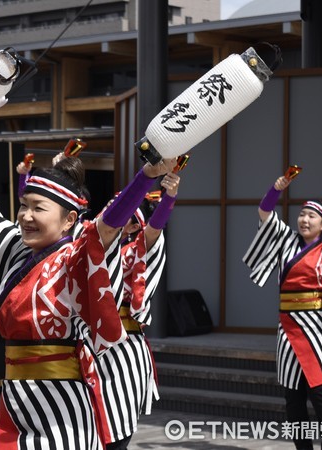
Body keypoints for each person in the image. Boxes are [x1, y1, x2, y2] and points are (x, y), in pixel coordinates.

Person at [0, 127, 176, 449]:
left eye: (38, 208)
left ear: (70, 219)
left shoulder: (79, 255)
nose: (26, 216)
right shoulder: (17, 249)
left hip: (61, 401)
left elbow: (110, 223)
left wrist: (146, 177)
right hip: (17, 396)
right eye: (24, 205)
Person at [243, 172, 322, 450]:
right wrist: (276, 190)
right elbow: (265, 212)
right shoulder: (285, 241)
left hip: (318, 327)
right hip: (287, 326)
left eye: (312, 216)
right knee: (292, 396)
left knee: (320, 394)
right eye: (302, 214)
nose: (304, 219)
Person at [100, 173, 180, 450]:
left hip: (123, 347)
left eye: (121, 211)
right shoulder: (91, 246)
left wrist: (168, 198)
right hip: (89, 344)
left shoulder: (139, 249)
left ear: (135, 223)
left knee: (118, 424)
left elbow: (156, 228)